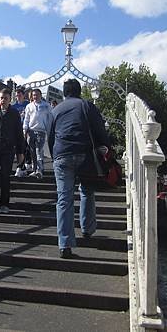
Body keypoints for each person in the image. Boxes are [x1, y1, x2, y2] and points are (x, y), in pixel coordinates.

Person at [48, 79, 110, 259]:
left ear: (64, 93)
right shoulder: (87, 105)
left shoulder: (56, 110)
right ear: (79, 91)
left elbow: (51, 136)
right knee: (87, 190)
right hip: (84, 154)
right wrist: (106, 147)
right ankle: (87, 229)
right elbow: (99, 129)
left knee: (64, 198)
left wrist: (55, 157)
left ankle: (65, 244)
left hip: (62, 154)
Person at [23, 89, 52, 179]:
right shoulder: (29, 106)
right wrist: (25, 129)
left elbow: (49, 119)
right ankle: (35, 169)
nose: (35, 97)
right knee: (32, 152)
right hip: (31, 131)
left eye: (37, 95)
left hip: (41, 131)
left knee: (38, 151)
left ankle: (39, 170)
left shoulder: (46, 106)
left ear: (40, 95)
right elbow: (26, 118)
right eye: (34, 95)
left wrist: (49, 130)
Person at [11, 87, 29, 178]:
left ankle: (21, 166)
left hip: (26, 129)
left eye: (19, 95)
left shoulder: (28, 104)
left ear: (23, 95)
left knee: (24, 148)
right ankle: (21, 167)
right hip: (16, 129)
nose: (18, 97)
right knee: (19, 149)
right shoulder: (13, 106)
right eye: (16, 95)